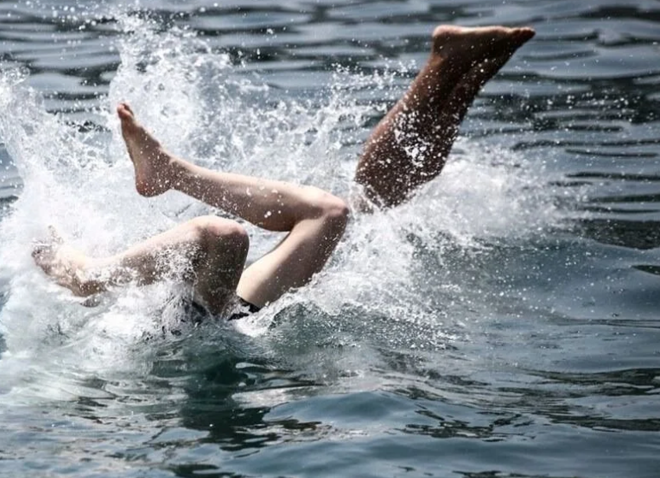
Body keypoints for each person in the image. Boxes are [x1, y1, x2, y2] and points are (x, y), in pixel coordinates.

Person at [33, 25, 536, 319]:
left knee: (339, 210)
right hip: (203, 329)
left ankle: (458, 69)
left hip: (230, 317)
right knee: (270, 226)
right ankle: (84, 270)